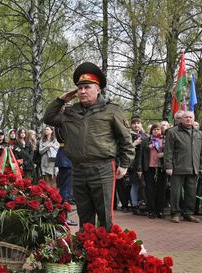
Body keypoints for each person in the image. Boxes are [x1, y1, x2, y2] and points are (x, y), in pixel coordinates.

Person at [43, 61, 134, 231]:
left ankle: (105, 252)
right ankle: (86, 250)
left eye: (87, 87)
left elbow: (125, 140)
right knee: (84, 214)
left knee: (105, 214)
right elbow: (48, 118)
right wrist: (61, 99)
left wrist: (125, 164)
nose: (82, 91)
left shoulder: (111, 110)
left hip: (103, 167)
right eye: (79, 88)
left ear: (98, 89)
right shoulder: (71, 112)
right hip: (77, 168)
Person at [163, 111, 202, 223]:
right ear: (181, 119)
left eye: (190, 117)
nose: (188, 119)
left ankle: (188, 213)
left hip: (193, 167)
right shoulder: (173, 132)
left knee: (191, 192)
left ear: (194, 119)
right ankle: (175, 213)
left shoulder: (199, 134)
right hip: (177, 167)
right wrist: (168, 166)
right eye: (186, 117)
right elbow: (168, 151)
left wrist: (200, 165)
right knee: (176, 192)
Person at [139, 123, 167, 219]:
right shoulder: (146, 140)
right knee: (149, 190)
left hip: (161, 168)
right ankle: (151, 210)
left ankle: (160, 211)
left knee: (161, 190)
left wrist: (164, 154)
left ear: (162, 130)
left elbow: (171, 153)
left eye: (158, 129)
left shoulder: (165, 140)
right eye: (154, 129)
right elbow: (141, 155)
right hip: (149, 167)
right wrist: (139, 168)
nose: (156, 131)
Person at [129, 116, 148, 215]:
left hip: (145, 163)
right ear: (131, 125)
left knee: (144, 184)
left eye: (138, 123)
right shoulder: (128, 135)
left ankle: (143, 203)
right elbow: (124, 148)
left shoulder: (144, 135)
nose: (136, 125)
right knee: (135, 184)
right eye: (134, 123)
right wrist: (135, 143)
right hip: (133, 163)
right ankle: (134, 205)